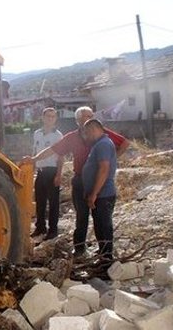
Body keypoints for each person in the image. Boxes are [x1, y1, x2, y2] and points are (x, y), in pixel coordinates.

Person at [22, 106, 130, 258]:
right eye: (86, 117)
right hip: (80, 180)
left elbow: (124, 143)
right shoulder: (72, 137)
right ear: (78, 121)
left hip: (99, 181)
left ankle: (105, 254)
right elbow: (53, 150)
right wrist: (33, 159)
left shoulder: (100, 134)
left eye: (91, 116)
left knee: (101, 219)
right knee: (81, 216)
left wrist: (110, 160)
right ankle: (79, 248)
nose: (89, 119)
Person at [82, 119, 118, 271]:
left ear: (94, 129)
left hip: (103, 195)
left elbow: (104, 169)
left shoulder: (103, 144)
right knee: (99, 226)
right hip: (100, 195)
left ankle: (106, 262)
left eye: (87, 132)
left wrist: (94, 193)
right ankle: (103, 255)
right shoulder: (99, 144)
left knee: (104, 227)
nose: (86, 136)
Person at [31, 108, 64, 240]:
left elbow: (61, 156)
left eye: (53, 117)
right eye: (48, 116)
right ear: (43, 118)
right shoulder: (37, 133)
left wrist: (59, 174)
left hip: (52, 171)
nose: (50, 119)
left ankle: (53, 230)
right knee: (40, 201)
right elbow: (34, 152)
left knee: (53, 202)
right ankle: (40, 227)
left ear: (55, 119)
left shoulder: (58, 136)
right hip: (40, 171)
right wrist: (33, 169)